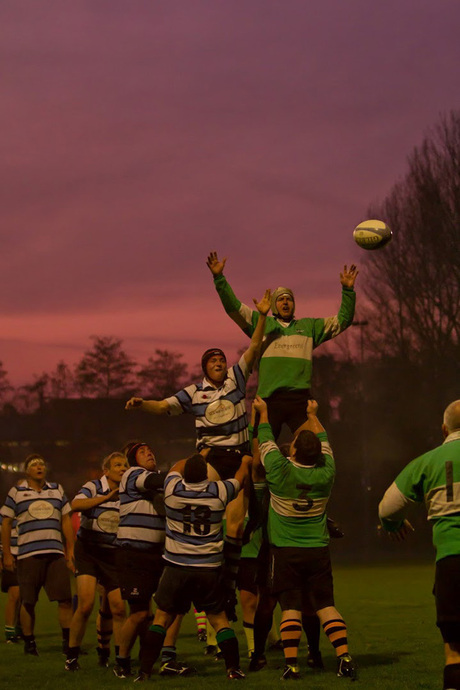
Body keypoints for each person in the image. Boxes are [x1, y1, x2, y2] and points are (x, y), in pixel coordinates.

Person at [125, 289, 272, 618]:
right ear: (205, 367)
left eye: (222, 360)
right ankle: (190, 568)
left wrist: (261, 315)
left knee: (235, 528)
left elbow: (254, 347)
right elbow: (163, 406)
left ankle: (226, 588)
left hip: (237, 455)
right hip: (210, 460)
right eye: (214, 361)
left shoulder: (237, 378)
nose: (220, 363)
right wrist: (141, 404)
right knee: (208, 522)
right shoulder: (193, 392)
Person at [253, 396, 356, 680]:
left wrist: (263, 412)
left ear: (294, 451)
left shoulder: (280, 469)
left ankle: (291, 664)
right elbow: (323, 438)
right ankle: (344, 657)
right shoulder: (326, 473)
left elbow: (265, 440)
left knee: (291, 608)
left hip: (286, 552)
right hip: (318, 550)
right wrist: (313, 414)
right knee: (325, 605)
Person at [206, 251, 358, 439]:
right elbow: (233, 308)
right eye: (281, 299)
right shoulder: (262, 323)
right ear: (273, 304)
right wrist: (219, 278)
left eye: (289, 299)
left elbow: (343, 320)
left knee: (309, 449)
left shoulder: (309, 326)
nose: (285, 302)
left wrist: (348, 291)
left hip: (299, 400)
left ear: (294, 304)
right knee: (258, 457)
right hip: (269, 400)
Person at [135, 452, 251, 682]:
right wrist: (246, 462)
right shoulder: (218, 492)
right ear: (206, 476)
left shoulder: (172, 490)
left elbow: (176, 468)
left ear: (185, 474)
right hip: (208, 568)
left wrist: (198, 454)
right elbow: (239, 478)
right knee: (219, 620)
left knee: (161, 619)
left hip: (176, 567)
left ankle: (144, 671)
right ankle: (233, 669)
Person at [379, 399, 460, 690]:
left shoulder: (426, 462)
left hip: (451, 564)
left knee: (454, 649)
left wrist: (394, 526)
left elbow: (387, 509)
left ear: (443, 429)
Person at [113, 441, 191, 679]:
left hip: (160, 553)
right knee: (138, 612)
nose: (149, 453)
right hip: (134, 551)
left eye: (150, 450)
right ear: (132, 460)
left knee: (172, 607)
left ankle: (166, 658)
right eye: (142, 452)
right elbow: (160, 481)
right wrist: (185, 466)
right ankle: (122, 662)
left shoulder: (157, 483)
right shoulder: (133, 475)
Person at [0, 454, 74, 657]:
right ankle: (30, 642)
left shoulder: (57, 489)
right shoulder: (16, 492)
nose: (39, 467)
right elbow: (5, 523)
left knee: (65, 600)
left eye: (42, 463)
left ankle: (68, 643)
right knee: (28, 601)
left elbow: (66, 519)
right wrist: (6, 554)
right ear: (27, 471)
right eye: (34, 465)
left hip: (55, 553)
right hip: (27, 554)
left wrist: (70, 549)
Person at [65, 451, 129, 671]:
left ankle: (120, 660)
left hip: (113, 554)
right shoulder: (94, 487)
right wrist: (106, 498)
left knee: (119, 608)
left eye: (125, 465)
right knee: (85, 604)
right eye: (118, 465)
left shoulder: (129, 491)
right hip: (89, 551)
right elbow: (75, 504)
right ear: (106, 470)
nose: (122, 468)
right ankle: (72, 657)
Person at [0, 513, 22, 643]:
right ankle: (9, 632)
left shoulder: (28, 509)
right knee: (15, 594)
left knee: (25, 596)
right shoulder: (4, 515)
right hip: (11, 557)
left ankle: (20, 628)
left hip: (28, 556)